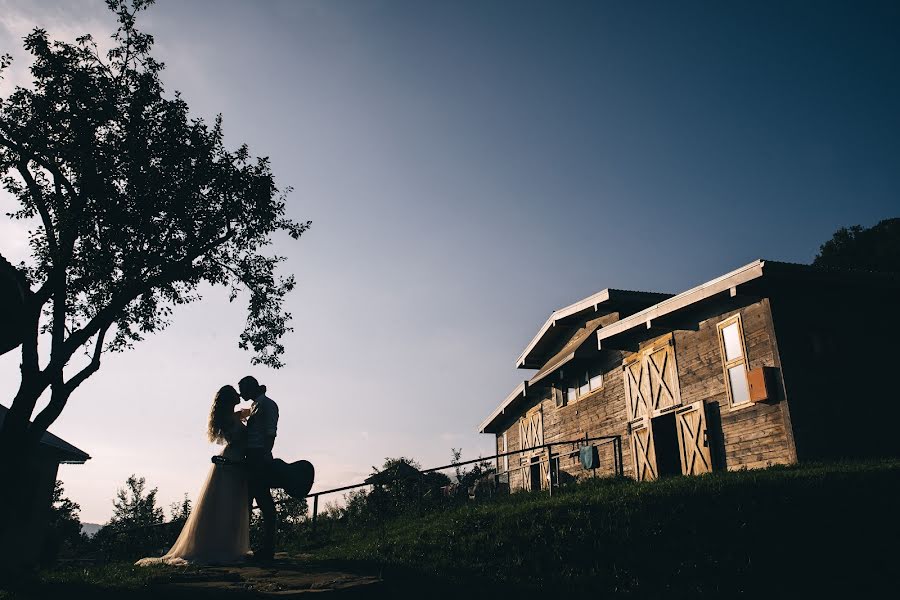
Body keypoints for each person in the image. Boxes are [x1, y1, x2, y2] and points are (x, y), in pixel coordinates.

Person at [136, 385, 250, 566]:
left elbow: (249, 412)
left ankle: (227, 546)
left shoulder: (230, 417)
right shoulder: (230, 419)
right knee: (226, 504)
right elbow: (244, 426)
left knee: (228, 504)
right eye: (235, 394)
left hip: (234, 460)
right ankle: (223, 547)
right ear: (229, 399)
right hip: (231, 461)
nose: (239, 395)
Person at [238, 375, 279, 561]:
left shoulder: (268, 404)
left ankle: (268, 547)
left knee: (264, 502)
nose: (240, 393)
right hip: (251, 457)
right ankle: (249, 545)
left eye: (242, 389)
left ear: (250, 387)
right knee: (250, 501)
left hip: (259, 457)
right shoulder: (255, 405)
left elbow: (271, 432)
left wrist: (264, 456)